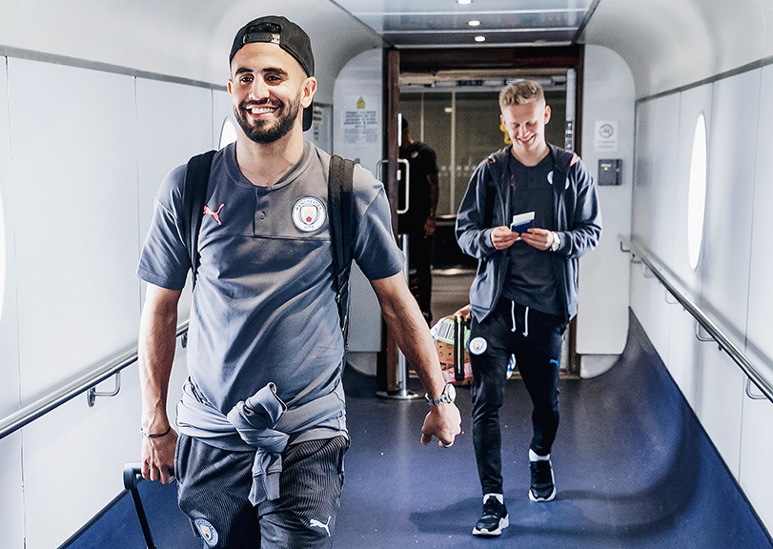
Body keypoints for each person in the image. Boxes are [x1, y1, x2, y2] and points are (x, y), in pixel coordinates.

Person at [136, 15, 462, 548]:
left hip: (306, 432)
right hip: (212, 434)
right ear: (229, 87)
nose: (257, 91)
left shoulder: (347, 190)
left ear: (307, 90)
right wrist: (155, 424)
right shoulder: (190, 186)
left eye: (273, 76)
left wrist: (438, 395)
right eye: (244, 77)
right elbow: (160, 311)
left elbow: (397, 303)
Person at [455, 79, 601, 537]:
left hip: (546, 310)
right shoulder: (492, 170)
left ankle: (540, 455)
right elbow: (464, 231)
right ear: (504, 122)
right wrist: (486, 240)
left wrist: (560, 241)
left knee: (547, 405)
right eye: (515, 125)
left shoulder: (571, 169)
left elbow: (591, 231)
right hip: (495, 308)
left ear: (546, 117)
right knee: (486, 403)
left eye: (531, 123)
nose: (523, 132)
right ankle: (493, 500)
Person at [397, 117, 439, 323]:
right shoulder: (392, 153)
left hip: (420, 219)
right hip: (398, 220)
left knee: (422, 266)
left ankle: (424, 310)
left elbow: (433, 185)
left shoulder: (424, 153)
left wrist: (431, 217)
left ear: (405, 129)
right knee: (399, 266)